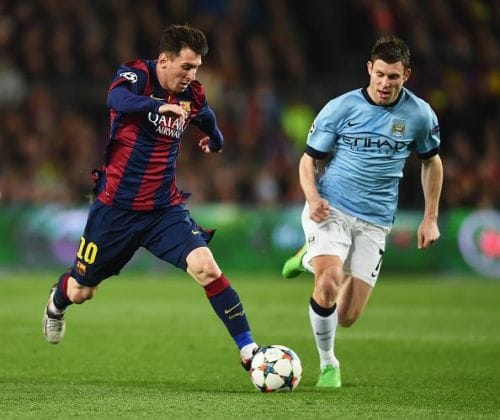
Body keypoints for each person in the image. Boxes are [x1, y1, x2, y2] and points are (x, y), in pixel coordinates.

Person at [42, 24, 259, 371]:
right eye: (186, 67)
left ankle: (250, 351)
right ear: (164, 60)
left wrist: (215, 139)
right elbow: (115, 99)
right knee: (82, 290)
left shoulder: (192, 94)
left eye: (196, 68)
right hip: (115, 210)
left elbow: (206, 116)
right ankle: (56, 302)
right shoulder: (137, 75)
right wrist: (157, 107)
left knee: (206, 268)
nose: (191, 75)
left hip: (163, 210)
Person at [282, 35, 443, 388]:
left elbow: (431, 162)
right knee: (328, 283)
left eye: (393, 76)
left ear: (406, 75)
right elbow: (309, 160)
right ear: (369, 69)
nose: (385, 83)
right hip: (332, 208)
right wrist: (312, 198)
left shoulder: (419, 114)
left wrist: (430, 217)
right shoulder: (340, 108)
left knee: (348, 315)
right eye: (380, 74)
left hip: (376, 220)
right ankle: (328, 364)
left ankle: (308, 257)